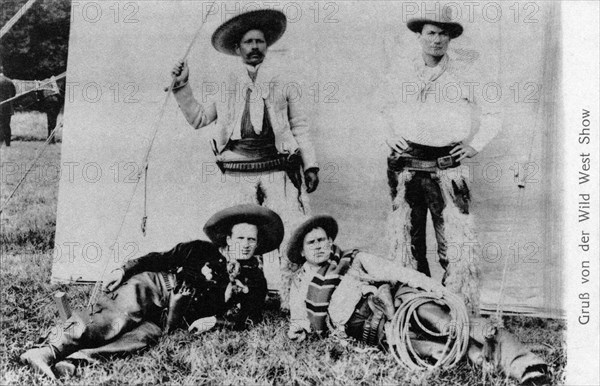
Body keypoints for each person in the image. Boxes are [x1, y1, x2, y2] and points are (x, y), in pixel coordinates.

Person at [20, 204, 283, 379]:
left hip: (174, 317)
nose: (246, 244)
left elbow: (250, 314)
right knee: (112, 319)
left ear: (258, 244)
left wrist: (216, 319)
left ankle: (74, 362)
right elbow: (157, 258)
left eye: (252, 240)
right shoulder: (199, 249)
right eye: (241, 238)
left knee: (140, 339)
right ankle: (47, 351)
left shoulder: (255, 279)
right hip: (156, 287)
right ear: (228, 238)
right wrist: (123, 271)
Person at [286, 216, 549, 385]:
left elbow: (400, 273)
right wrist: (297, 329)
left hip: (398, 302)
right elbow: (299, 320)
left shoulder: (354, 260)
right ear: (301, 250)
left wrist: (439, 290)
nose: (319, 246)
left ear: (331, 241)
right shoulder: (300, 285)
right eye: (312, 243)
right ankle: (491, 362)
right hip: (375, 330)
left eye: (323, 240)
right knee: (441, 350)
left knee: (452, 325)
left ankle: (528, 366)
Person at [170, 9, 319, 307]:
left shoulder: (283, 80)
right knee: (241, 237)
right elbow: (199, 118)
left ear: (267, 46)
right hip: (237, 169)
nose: (254, 47)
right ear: (237, 49)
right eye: (248, 42)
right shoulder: (225, 83)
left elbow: (299, 125)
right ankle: (241, 296)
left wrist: (310, 164)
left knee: (290, 229)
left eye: (260, 41)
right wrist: (182, 86)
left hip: (277, 167)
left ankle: (294, 298)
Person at [383, 6, 502, 313]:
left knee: (454, 246)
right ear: (420, 35)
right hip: (407, 166)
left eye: (443, 34)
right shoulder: (401, 71)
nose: (436, 40)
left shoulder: (466, 73)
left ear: (451, 38)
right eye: (431, 33)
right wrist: (388, 134)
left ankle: (456, 312)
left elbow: (494, 113)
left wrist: (475, 145)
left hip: (448, 167)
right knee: (409, 242)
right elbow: (379, 108)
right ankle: (416, 309)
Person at [0, 63, 17, 147]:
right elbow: (14, 94)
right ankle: (7, 143)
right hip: (8, 107)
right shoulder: (9, 81)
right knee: (7, 125)